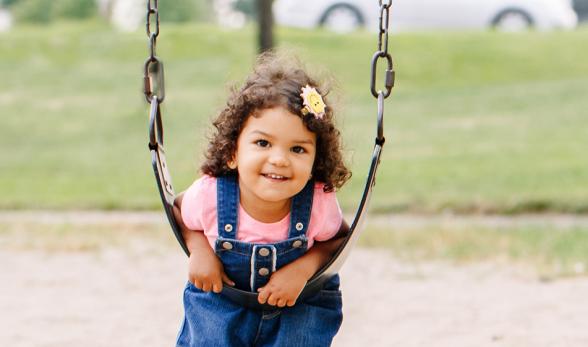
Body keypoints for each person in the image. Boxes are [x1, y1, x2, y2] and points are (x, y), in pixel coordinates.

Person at [173, 52, 352, 347]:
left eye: (298, 149)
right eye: (262, 143)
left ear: (315, 160)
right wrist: (199, 249)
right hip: (223, 308)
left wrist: (303, 269)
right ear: (232, 152)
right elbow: (179, 211)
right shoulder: (210, 195)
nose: (279, 159)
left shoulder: (318, 202)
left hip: (297, 309)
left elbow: (336, 241)